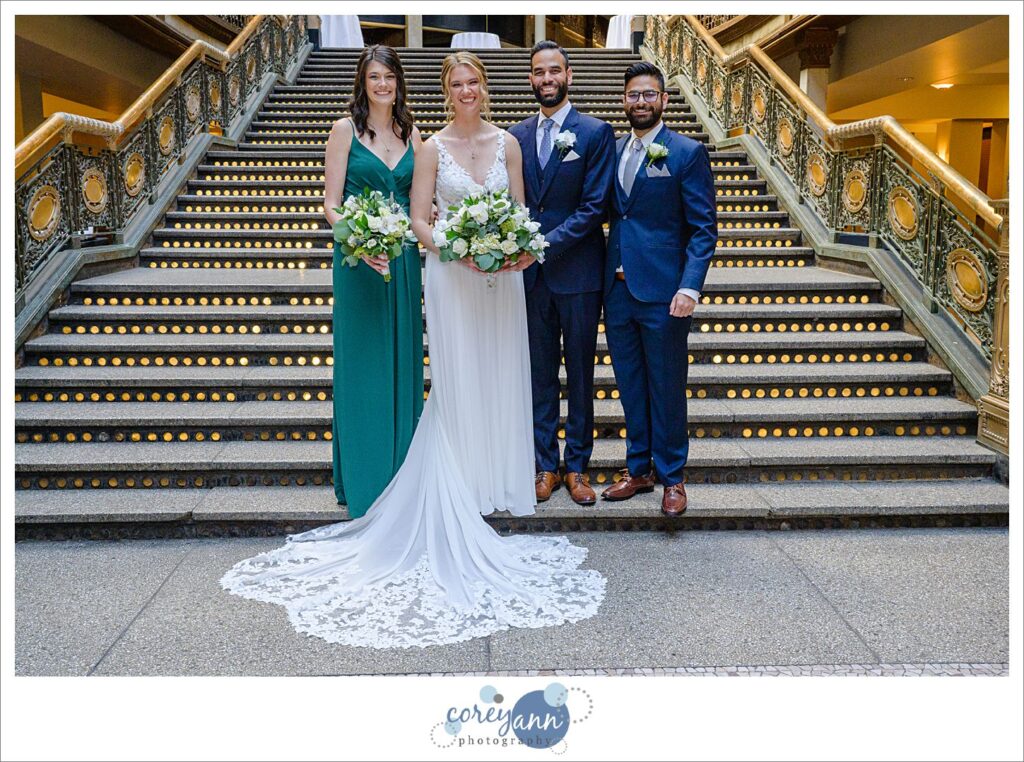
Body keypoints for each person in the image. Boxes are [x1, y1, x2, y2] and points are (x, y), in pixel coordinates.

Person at [220, 51, 606, 649]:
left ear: (485, 86)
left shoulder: (508, 145)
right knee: (456, 377)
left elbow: (525, 212)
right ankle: (458, 478)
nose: (466, 89)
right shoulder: (429, 147)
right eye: (456, 83)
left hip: (502, 277)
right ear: (445, 90)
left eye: (474, 80)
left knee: (506, 372)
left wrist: (507, 246)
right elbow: (420, 218)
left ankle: (504, 477)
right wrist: (455, 243)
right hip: (451, 275)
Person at [601, 62, 717, 516]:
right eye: (633, 95)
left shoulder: (685, 153)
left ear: (664, 101)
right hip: (618, 291)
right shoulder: (611, 151)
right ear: (624, 101)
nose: (641, 102)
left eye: (649, 94)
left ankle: (672, 476)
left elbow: (704, 229)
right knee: (630, 385)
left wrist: (690, 287)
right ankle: (638, 469)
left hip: (665, 293)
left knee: (667, 386)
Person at [509, 41, 616, 507]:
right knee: (537, 375)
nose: (546, 79)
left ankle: (577, 467)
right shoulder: (514, 135)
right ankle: (544, 465)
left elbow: (595, 208)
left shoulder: (594, 133)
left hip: (578, 275)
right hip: (529, 281)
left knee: (579, 374)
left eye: (554, 70)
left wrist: (540, 247)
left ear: (569, 75)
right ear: (530, 79)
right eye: (538, 72)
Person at [321, 45, 423, 518]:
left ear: (399, 81)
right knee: (364, 366)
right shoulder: (344, 131)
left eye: (389, 76)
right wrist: (360, 242)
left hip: (402, 263)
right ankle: (364, 480)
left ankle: (402, 472)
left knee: (401, 363)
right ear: (362, 83)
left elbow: (421, 201)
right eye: (373, 77)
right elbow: (331, 203)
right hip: (358, 263)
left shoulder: (412, 133)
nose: (382, 85)